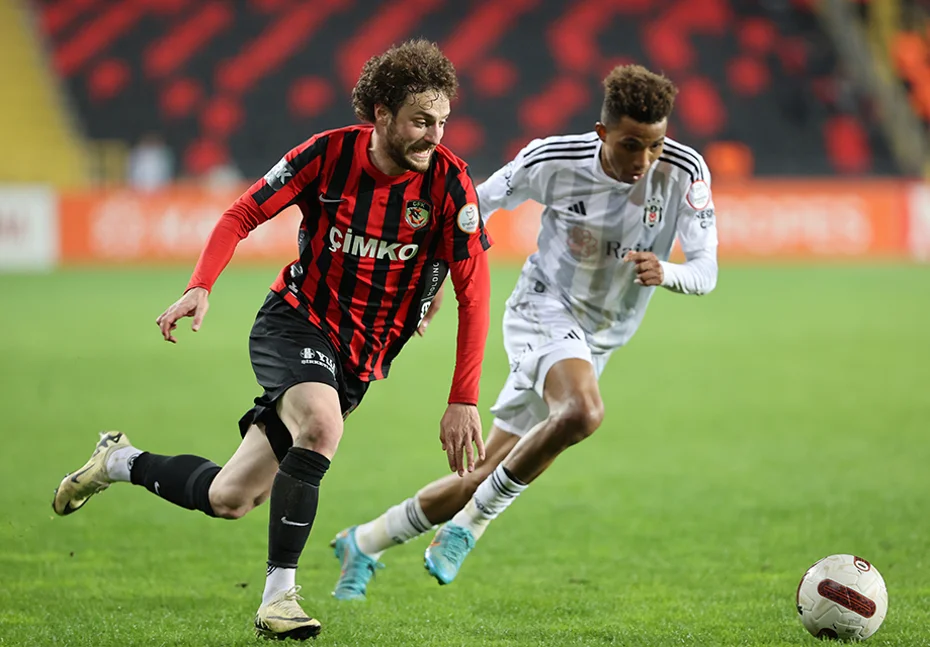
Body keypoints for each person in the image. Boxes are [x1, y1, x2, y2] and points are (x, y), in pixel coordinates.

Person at [52, 39, 492, 640]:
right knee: (322, 425)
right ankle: (278, 598)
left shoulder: (449, 183)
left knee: (230, 497)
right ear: (382, 113)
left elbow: (474, 293)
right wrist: (201, 284)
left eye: (442, 121)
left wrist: (463, 396)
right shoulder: (326, 155)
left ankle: (117, 461)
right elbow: (242, 214)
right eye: (421, 121)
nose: (434, 136)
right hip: (296, 321)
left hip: (359, 357)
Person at [330, 64, 718, 599]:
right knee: (582, 413)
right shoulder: (553, 159)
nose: (644, 160)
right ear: (602, 133)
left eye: (655, 145)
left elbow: (705, 271)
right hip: (544, 307)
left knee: (483, 472)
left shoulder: (685, 171)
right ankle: (471, 525)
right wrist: (436, 276)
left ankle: (365, 541)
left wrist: (667, 272)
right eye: (631, 145)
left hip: (601, 337)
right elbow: (473, 206)